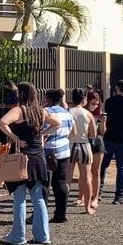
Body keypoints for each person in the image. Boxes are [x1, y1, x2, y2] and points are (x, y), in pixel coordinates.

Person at [0, 82, 62, 245]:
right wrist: (43, 135)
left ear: (22, 94)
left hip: (22, 157)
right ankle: (43, 236)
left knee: (19, 197)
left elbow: (2, 122)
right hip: (38, 157)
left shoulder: (19, 110)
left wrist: (15, 138)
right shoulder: (41, 111)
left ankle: (18, 235)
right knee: (38, 197)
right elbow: (57, 124)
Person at [99, 80, 123, 205]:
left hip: (109, 137)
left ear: (118, 89)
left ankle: (99, 191)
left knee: (103, 166)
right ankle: (119, 195)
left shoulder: (110, 101)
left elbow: (106, 114)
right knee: (122, 168)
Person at [43, 88, 74, 223]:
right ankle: (60, 213)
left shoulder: (47, 112)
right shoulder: (67, 113)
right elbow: (71, 132)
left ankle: (40, 213)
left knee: (44, 184)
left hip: (48, 150)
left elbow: (42, 130)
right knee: (61, 182)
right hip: (64, 150)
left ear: (48, 99)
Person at [68, 88, 100, 213]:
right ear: (84, 99)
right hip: (84, 145)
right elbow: (93, 134)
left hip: (70, 145)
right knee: (86, 176)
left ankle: (62, 205)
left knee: (67, 177)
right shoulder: (88, 114)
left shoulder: (68, 112)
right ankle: (87, 207)